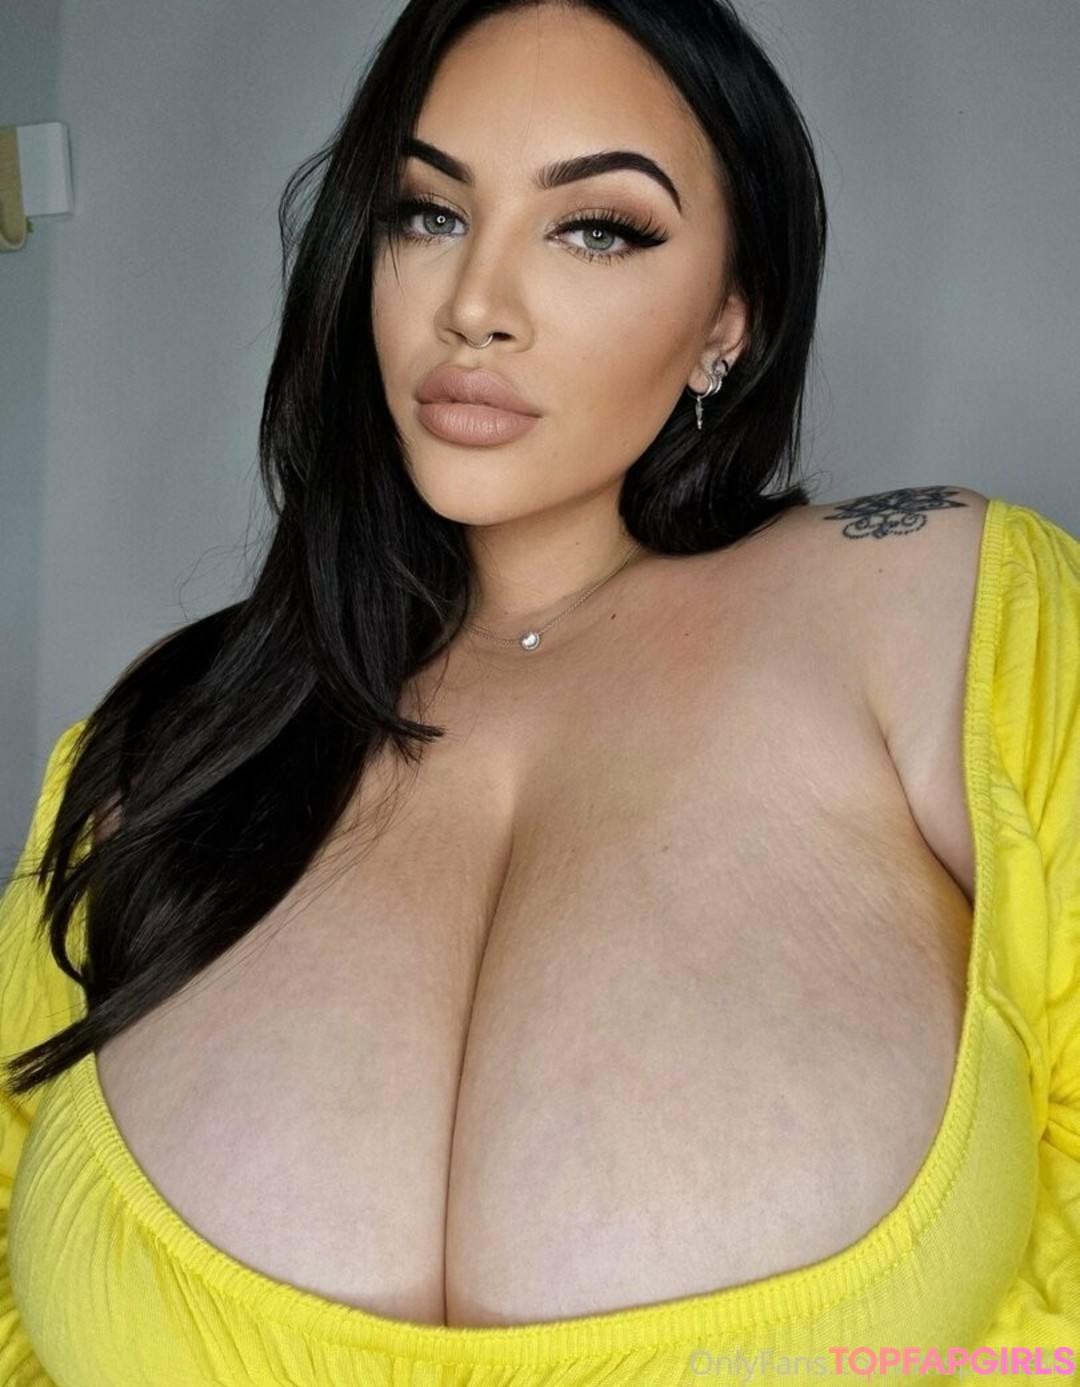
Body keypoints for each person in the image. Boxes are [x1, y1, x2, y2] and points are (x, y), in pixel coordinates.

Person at [1, 0, 1077, 1382]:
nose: (474, 306)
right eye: (428, 212)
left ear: (730, 319)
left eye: (598, 229)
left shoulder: (934, 600)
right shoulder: (173, 738)